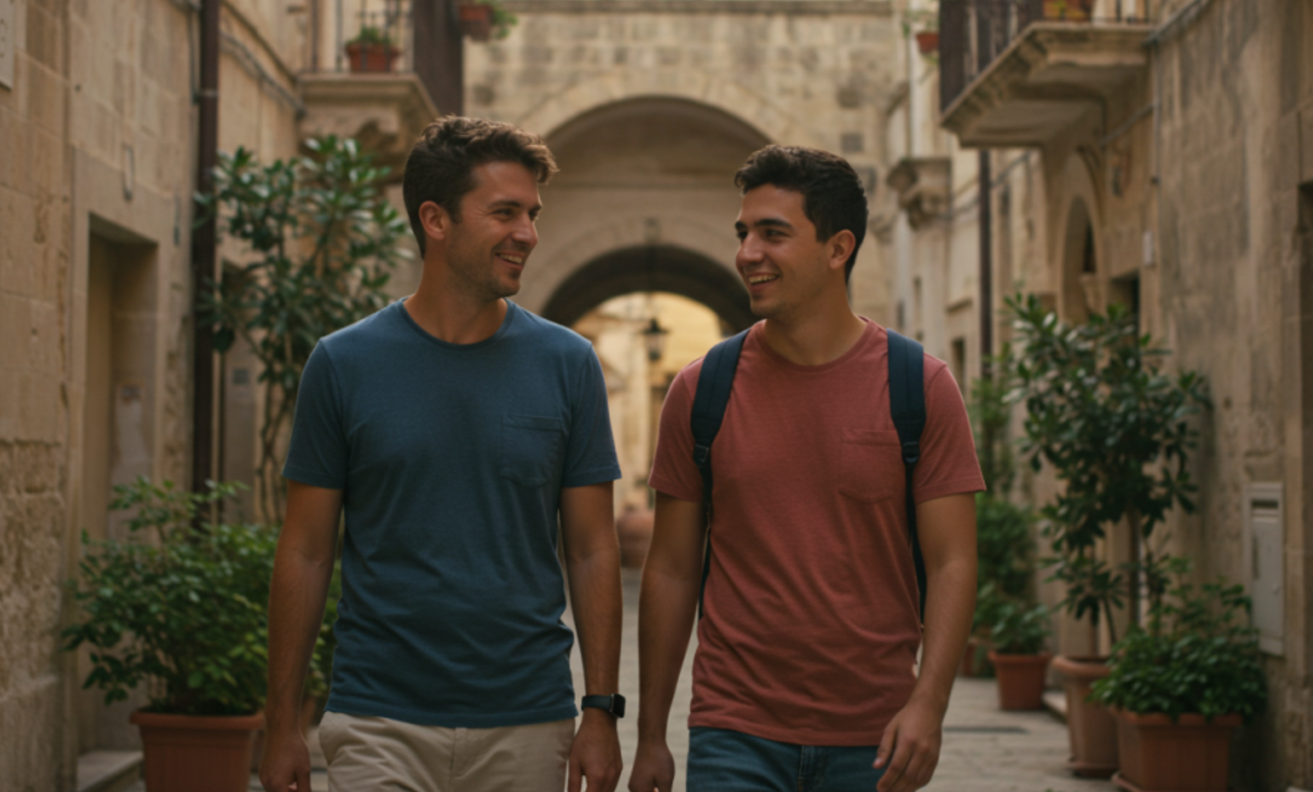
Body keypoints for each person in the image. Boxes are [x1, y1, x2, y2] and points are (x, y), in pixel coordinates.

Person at [259, 116, 627, 792]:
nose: (529, 234)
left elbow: (592, 548)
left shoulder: (568, 364)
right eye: (505, 212)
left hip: (526, 720)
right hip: (377, 719)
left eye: (533, 214)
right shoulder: (342, 363)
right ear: (435, 219)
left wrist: (601, 710)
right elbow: (307, 549)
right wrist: (282, 721)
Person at [628, 145, 982, 792]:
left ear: (838, 247)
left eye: (773, 233)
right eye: (744, 233)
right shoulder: (701, 390)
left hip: (873, 740)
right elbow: (673, 568)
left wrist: (928, 705)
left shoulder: (920, 387)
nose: (747, 253)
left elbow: (954, 559)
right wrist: (651, 734)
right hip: (733, 731)